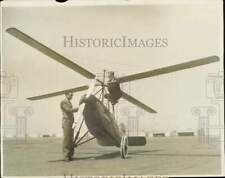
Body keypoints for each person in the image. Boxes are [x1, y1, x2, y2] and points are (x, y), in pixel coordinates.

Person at [60, 91, 78, 161]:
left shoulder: (69, 102)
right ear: (66, 95)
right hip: (66, 121)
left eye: (72, 95)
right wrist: (77, 109)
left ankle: (70, 155)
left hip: (70, 121)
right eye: (70, 95)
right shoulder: (64, 102)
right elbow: (68, 110)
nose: (71, 97)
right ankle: (66, 156)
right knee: (67, 139)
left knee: (71, 139)